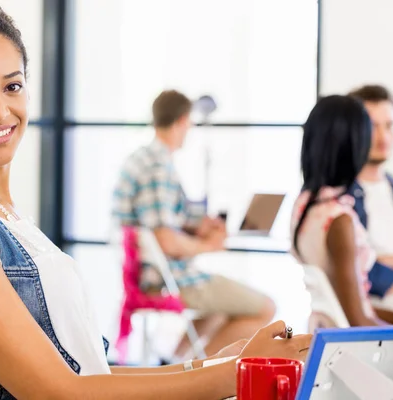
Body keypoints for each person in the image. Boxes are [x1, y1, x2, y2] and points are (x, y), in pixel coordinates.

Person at [0, 2, 310, 398]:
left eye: (12, 86)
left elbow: (89, 372)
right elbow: (59, 393)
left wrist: (215, 364)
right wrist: (235, 374)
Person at [112, 90, 276, 360]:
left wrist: (197, 226)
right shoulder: (158, 166)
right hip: (163, 280)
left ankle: (174, 366)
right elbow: (165, 240)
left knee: (225, 306)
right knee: (265, 308)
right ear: (183, 121)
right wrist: (207, 246)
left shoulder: (143, 158)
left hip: (147, 274)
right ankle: (199, 377)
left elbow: (162, 220)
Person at [291, 95, 393, 327]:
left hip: (332, 334)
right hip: (355, 346)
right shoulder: (340, 219)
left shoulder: (306, 204)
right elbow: (358, 321)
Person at [347, 85, 393, 317]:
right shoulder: (341, 198)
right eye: (372, 126)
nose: (383, 137)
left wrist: (387, 260)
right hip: (380, 310)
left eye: (388, 126)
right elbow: (365, 273)